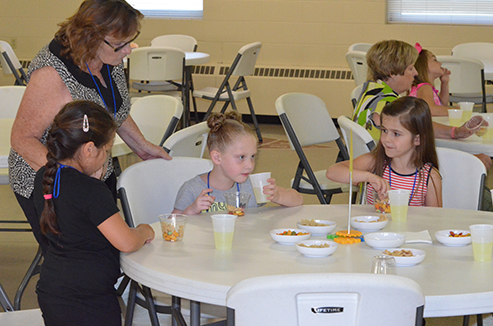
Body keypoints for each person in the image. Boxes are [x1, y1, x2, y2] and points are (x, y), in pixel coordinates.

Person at [9, 0, 170, 253]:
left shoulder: (108, 59)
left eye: (130, 40)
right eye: (120, 44)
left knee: (110, 252)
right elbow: (21, 139)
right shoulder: (52, 73)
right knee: (88, 259)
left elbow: (112, 110)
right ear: (92, 37)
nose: (128, 50)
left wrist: (142, 146)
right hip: (51, 182)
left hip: (92, 170)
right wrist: (72, 178)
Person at [32, 101, 154, 326]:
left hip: (52, 291)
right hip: (88, 298)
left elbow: (73, 220)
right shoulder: (91, 192)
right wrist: (144, 231)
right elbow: (126, 242)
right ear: (89, 149)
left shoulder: (44, 177)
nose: (106, 156)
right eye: (106, 150)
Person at [352, 39, 492, 170]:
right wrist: (467, 160)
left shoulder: (370, 90)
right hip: (391, 170)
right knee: (478, 166)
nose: (416, 73)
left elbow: (419, 126)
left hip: (375, 164)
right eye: (410, 68)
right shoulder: (388, 105)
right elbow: (415, 154)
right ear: (393, 73)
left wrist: (455, 132)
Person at [172, 111, 303, 215]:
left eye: (252, 156)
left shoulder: (252, 187)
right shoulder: (192, 189)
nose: (250, 165)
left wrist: (278, 196)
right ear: (217, 158)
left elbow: (298, 199)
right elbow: (172, 226)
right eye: (241, 157)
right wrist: (191, 210)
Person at [328, 97, 442, 207]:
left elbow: (434, 220)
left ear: (418, 139)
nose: (387, 139)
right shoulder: (375, 163)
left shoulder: (430, 177)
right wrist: (368, 177)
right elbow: (332, 172)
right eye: (384, 130)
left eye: (396, 134)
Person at [409, 43, 452, 116]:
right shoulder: (424, 87)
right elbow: (430, 110)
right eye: (435, 60)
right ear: (424, 66)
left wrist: (444, 83)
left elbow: (442, 106)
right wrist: (457, 110)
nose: (440, 63)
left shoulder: (425, 87)